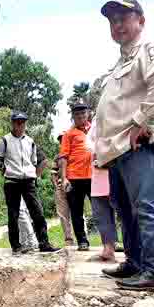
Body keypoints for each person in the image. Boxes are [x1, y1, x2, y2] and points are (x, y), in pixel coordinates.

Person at [95, 0, 154, 292]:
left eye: (123, 18)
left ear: (141, 20)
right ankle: (135, 263)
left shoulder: (150, 49)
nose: (117, 25)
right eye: (112, 21)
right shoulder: (119, 62)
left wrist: (141, 121)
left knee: (147, 208)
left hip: (138, 144)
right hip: (117, 149)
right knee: (126, 210)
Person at [0, 112, 62, 255]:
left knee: (38, 212)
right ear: (12, 123)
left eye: (23, 122)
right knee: (13, 214)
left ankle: (44, 243)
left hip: (28, 181)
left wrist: (34, 175)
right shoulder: (4, 141)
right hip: (12, 181)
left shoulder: (30, 141)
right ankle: (16, 245)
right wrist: (7, 172)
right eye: (17, 122)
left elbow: (35, 161)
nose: (20, 125)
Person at [59, 104, 93, 251]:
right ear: (73, 116)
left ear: (88, 114)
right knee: (76, 211)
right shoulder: (69, 134)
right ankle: (82, 241)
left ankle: (111, 241)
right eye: (77, 115)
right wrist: (64, 178)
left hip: (94, 176)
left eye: (83, 114)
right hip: (74, 177)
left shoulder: (95, 130)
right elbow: (63, 157)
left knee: (102, 209)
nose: (80, 117)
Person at [87, 121, 118, 262]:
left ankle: (134, 252)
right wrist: (98, 153)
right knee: (101, 212)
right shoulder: (97, 120)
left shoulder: (122, 114)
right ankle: (108, 249)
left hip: (119, 169)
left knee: (127, 212)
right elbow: (89, 141)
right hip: (99, 173)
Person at [51, 133, 76, 247]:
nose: (62, 142)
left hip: (75, 185)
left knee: (77, 212)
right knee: (63, 214)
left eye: (64, 139)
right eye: (61, 140)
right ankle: (69, 239)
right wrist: (56, 185)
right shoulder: (57, 157)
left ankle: (81, 237)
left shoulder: (75, 153)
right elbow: (53, 172)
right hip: (61, 187)